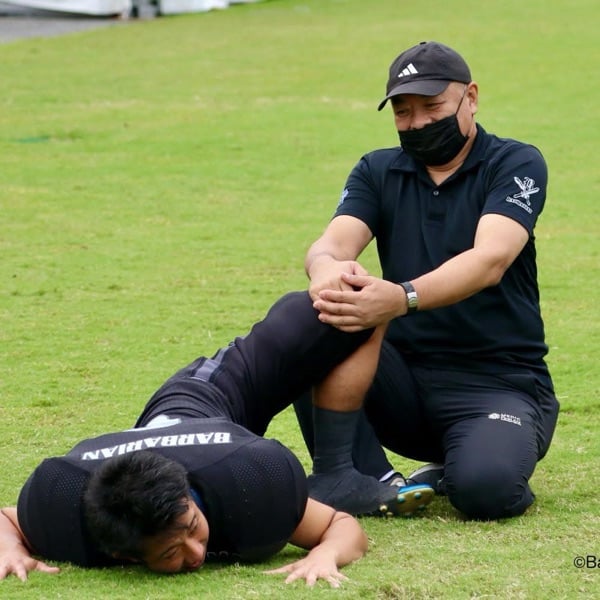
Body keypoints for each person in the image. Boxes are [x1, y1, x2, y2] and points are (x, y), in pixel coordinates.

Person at [294, 41, 560, 521]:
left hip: (498, 383)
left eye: (432, 107)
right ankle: (365, 478)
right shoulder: (378, 170)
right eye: (403, 112)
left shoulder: (514, 163)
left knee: (485, 492)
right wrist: (326, 270)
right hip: (402, 384)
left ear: (470, 98)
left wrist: (401, 297)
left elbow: (490, 259)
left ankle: (464, 463)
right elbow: (330, 245)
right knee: (307, 320)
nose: (417, 123)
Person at [0, 291, 431, 586]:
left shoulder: (252, 479)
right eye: (169, 553)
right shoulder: (65, 510)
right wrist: (8, 551)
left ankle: (339, 469)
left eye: (191, 526)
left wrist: (325, 555)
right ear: (125, 556)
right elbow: (6, 518)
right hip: (200, 445)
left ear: (186, 497)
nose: (196, 553)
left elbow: (339, 525)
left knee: (332, 306)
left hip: (206, 397)